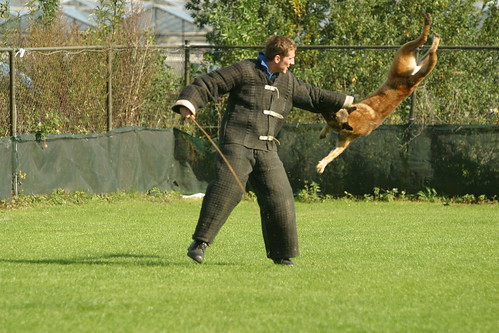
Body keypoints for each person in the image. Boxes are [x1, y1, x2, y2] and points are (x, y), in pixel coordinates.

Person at [172, 36, 354, 265]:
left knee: (280, 197)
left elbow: (315, 96)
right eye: (290, 58)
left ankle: (282, 256)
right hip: (237, 143)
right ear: (277, 58)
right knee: (229, 188)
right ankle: (200, 243)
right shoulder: (244, 70)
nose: (293, 63)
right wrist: (188, 103)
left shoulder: (288, 82)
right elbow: (210, 82)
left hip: (267, 149)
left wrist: (353, 102)